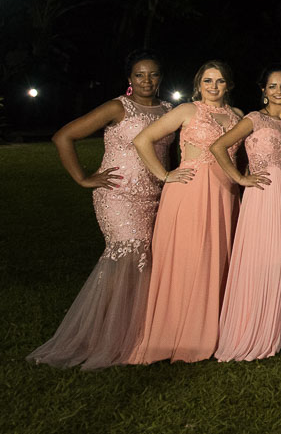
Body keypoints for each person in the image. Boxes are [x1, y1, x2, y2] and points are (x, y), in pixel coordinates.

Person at [29, 51, 174, 369]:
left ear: (160, 78)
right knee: (126, 254)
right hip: (117, 196)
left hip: (155, 196)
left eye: (152, 74)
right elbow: (64, 136)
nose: (146, 80)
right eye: (139, 75)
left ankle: (135, 334)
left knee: (145, 262)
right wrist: (83, 178)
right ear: (129, 79)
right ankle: (98, 336)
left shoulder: (169, 110)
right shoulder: (117, 107)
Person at [128, 60, 243, 363]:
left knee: (218, 258)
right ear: (198, 84)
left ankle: (214, 329)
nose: (213, 87)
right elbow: (142, 140)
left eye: (219, 81)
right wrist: (164, 175)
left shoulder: (237, 115)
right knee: (189, 258)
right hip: (191, 190)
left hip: (226, 193)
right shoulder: (187, 111)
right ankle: (180, 332)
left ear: (228, 85)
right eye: (208, 81)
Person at [211, 67, 281, 361]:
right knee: (262, 258)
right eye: (272, 86)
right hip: (262, 195)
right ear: (263, 89)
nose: (278, 91)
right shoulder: (254, 119)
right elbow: (219, 146)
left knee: (280, 261)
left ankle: (273, 329)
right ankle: (249, 328)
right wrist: (240, 178)